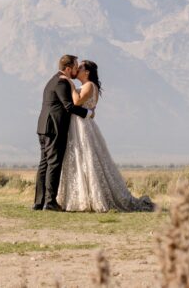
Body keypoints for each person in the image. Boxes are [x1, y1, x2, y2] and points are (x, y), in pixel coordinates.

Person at [59, 60, 155, 212]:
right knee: (81, 159)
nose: (77, 69)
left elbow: (76, 102)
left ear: (87, 72)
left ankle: (91, 197)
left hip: (83, 127)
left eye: (81, 67)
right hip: (80, 124)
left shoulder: (89, 85)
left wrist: (70, 84)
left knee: (87, 159)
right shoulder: (88, 86)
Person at [34, 54, 94, 211]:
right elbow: (68, 106)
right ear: (68, 69)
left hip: (44, 127)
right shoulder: (62, 82)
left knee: (44, 164)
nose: (76, 70)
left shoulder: (53, 80)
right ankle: (50, 202)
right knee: (54, 163)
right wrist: (88, 113)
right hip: (54, 127)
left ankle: (39, 202)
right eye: (75, 67)